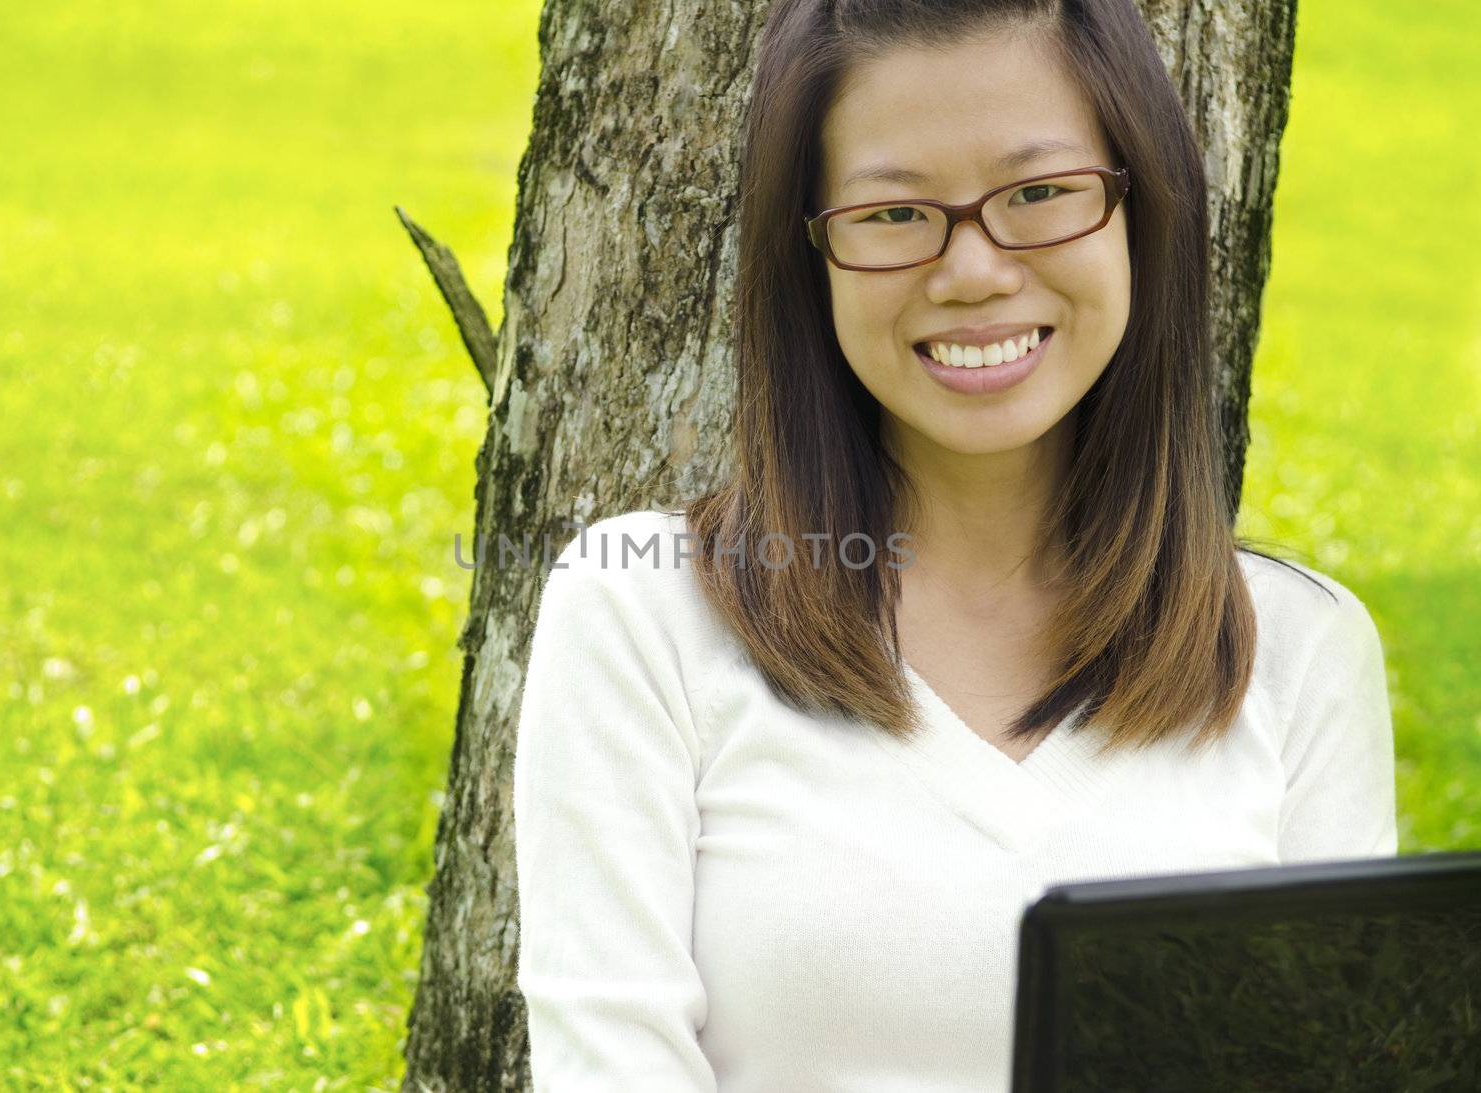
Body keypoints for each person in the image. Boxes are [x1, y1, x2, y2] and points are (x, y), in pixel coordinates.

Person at [511, 0, 1399, 1089]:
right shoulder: (643, 616)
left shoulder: (1296, 651)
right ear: (813, 255)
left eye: (1038, 193)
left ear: (1141, 211)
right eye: (893, 213)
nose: (973, 271)